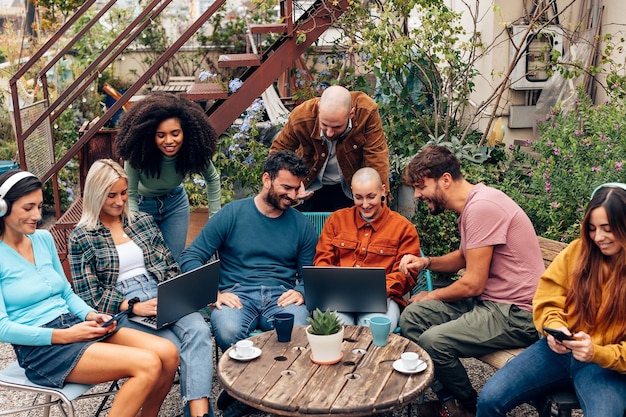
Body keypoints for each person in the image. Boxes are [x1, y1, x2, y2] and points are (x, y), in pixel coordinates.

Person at [0, 170, 179, 417]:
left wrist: (90, 315)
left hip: (74, 326)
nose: (38, 216)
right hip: (41, 348)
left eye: (40, 206)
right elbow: (2, 328)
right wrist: (64, 336)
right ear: (3, 208)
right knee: (147, 364)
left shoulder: (42, 239)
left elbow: (66, 292)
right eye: (28, 208)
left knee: (168, 353)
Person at [397, 145, 545, 417]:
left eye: (421, 186)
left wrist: (430, 295)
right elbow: (466, 257)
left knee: (433, 341)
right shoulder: (475, 203)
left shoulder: (481, 207)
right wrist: (426, 261)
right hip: (489, 302)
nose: (417, 195)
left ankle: (467, 406)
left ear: (445, 180)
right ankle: (450, 398)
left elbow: (472, 284)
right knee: (412, 317)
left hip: (516, 312)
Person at [67, 159, 214, 417]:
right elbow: (88, 295)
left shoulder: (142, 221)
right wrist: (133, 306)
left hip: (159, 292)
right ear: (95, 194)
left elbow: (169, 265)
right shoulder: (82, 237)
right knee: (172, 347)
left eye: (124, 193)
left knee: (199, 330)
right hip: (122, 304)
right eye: (111, 195)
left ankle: (199, 414)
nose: (119, 201)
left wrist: (176, 291)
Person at [180, 150, 317, 417]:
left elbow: (310, 272)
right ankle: (253, 392)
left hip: (281, 295)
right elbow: (191, 256)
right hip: (237, 295)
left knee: (298, 330)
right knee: (229, 330)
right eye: (286, 187)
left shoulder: (302, 225)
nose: (292, 195)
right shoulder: (232, 214)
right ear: (267, 179)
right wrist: (213, 292)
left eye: (296, 188)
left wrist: (301, 291)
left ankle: (248, 395)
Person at [477, 183, 626, 417]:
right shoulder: (578, 251)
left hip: (606, 365)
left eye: (607, 228)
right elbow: (550, 296)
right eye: (592, 228)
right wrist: (555, 328)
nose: (598, 237)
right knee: (489, 399)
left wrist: (596, 352)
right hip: (558, 352)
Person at [114, 92, 221, 262]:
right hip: (143, 206)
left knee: (174, 261)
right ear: (151, 136)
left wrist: (215, 219)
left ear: (185, 133)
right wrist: (134, 226)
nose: (169, 141)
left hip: (175, 204)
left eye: (175, 133)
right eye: (161, 135)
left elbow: (213, 179)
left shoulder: (191, 150)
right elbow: (131, 193)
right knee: (147, 261)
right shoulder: (138, 154)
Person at [314, 167, 420, 329]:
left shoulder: (403, 228)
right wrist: (336, 288)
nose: (365, 204)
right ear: (352, 193)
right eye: (358, 197)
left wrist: (376, 290)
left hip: (382, 299)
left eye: (371, 197)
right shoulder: (336, 220)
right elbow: (322, 262)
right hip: (338, 298)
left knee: (376, 328)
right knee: (333, 326)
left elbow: (407, 275)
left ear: (382, 190)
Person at [270, 85, 390, 212]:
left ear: (351, 113)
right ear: (319, 108)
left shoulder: (366, 112)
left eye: (337, 127)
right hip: (312, 183)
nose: (330, 133)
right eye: (325, 125)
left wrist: (380, 196)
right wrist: (292, 181)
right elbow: (279, 152)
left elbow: (376, 155)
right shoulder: (301, 116)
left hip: (349, 183)